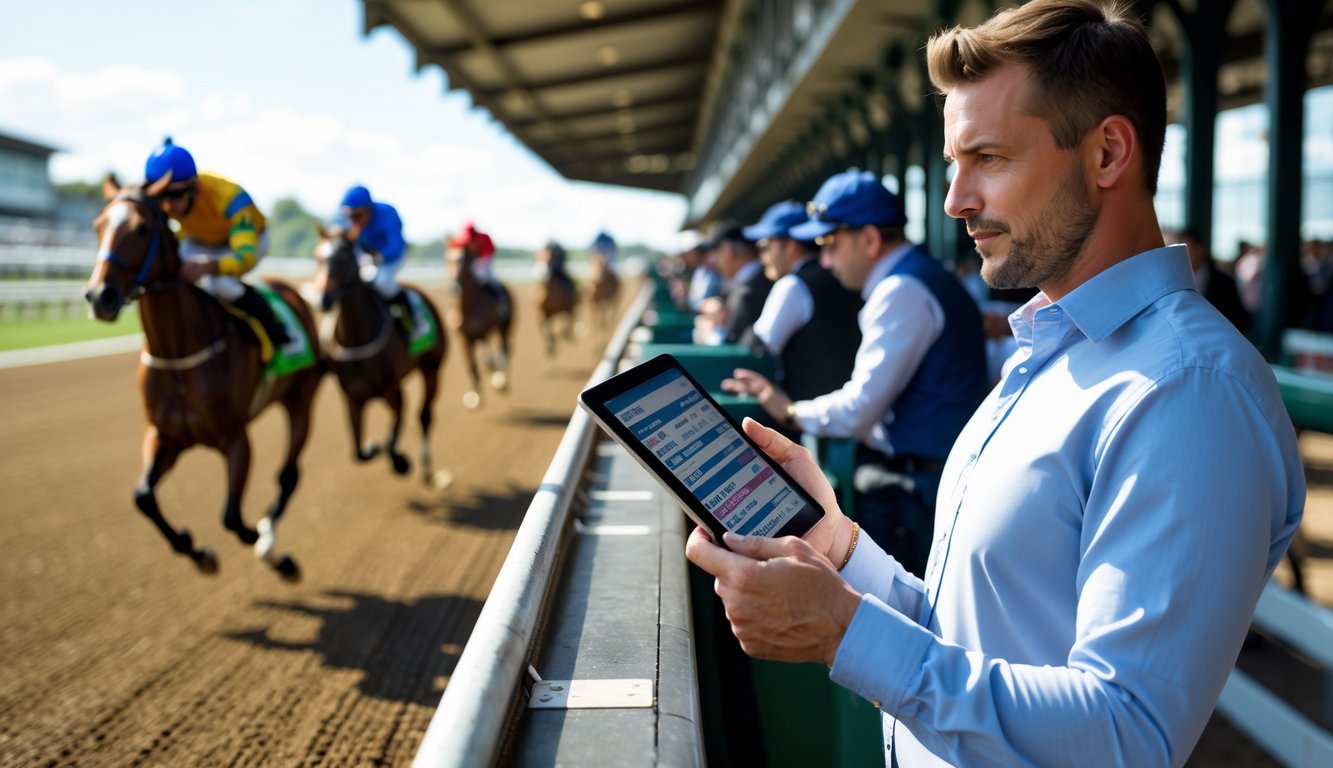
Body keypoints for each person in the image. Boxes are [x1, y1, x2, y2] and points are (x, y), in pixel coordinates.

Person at [687, 2, 1306, 766]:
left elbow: (1127, 734)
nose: (955, 200)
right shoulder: (1052, 349)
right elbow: (968, 632)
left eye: (988, 158)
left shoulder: (1188, 392)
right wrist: (841, 550)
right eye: (953, 162)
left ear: (1108, 153)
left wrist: (843, 633)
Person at [722, 169, 988, 576]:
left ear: (868, 239)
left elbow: (860, 408)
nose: (824, 260)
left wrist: (790, 412)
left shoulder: (900, 290)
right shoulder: (922, 276)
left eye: (830, 243)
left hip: (916, 488)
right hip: (934, 475)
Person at [144, 138, 289, 358]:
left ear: (195, 187)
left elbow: (244, 257)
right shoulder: (169, 202)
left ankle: (273, 328)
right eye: (160, 196)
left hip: (247, 242)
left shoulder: (230, 197)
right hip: (200, 240)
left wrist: (211, 266)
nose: (167, 206)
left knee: (222, 285)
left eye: (174, 196)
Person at [743, 199, 862, 403]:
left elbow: (755, 349)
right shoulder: (848, 273)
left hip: (808, 419)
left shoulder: (792, 285)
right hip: (854, 410)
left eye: (765, 247)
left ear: (789, 245)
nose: (763, 258)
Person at [332, 185, 413, 332]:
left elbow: (395, 247)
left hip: (394, 256)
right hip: (367, 255)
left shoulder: (388, 214)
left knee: (382, 283)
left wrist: (377, 257)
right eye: (349, 216)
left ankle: (410, 320)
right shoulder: (349, 220)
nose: (352, 222)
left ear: (369, 210)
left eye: (357, 216)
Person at [1164, 226, 1250, 332]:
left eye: (1184, 251)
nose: (1178, 257)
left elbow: (1239, 320)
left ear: (1199, 249)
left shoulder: (1224, 282)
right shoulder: (1170, 283)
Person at [694, 224, 770, 345]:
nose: (714, 261)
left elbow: (731, 347)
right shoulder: (750, 282)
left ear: (728, 252)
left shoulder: (748, 291)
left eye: (716, 253)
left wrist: (708, 331)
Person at [449, 220, 509, 316]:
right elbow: (456, 244)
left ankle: (499, 300)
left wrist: (477, 263)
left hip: (487, 258)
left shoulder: (483, 238)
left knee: (486, 277)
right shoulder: (467, 238)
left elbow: (487, 253)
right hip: (477, 259)